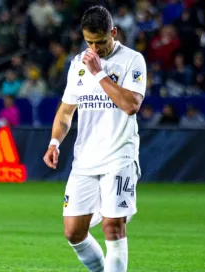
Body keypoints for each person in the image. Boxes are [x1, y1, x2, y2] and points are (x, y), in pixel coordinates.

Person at [43, 6, 147, 272]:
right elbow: (66, 111)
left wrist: (99, 73)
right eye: (89, 41)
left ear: (113, 32)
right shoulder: (78, 64)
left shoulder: (132, 60)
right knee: (73, 232)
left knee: (113, 227)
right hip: (85, 159)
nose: (94, 48)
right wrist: (55, 142)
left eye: (100, 42)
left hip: (119, 155)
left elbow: (131, 105)